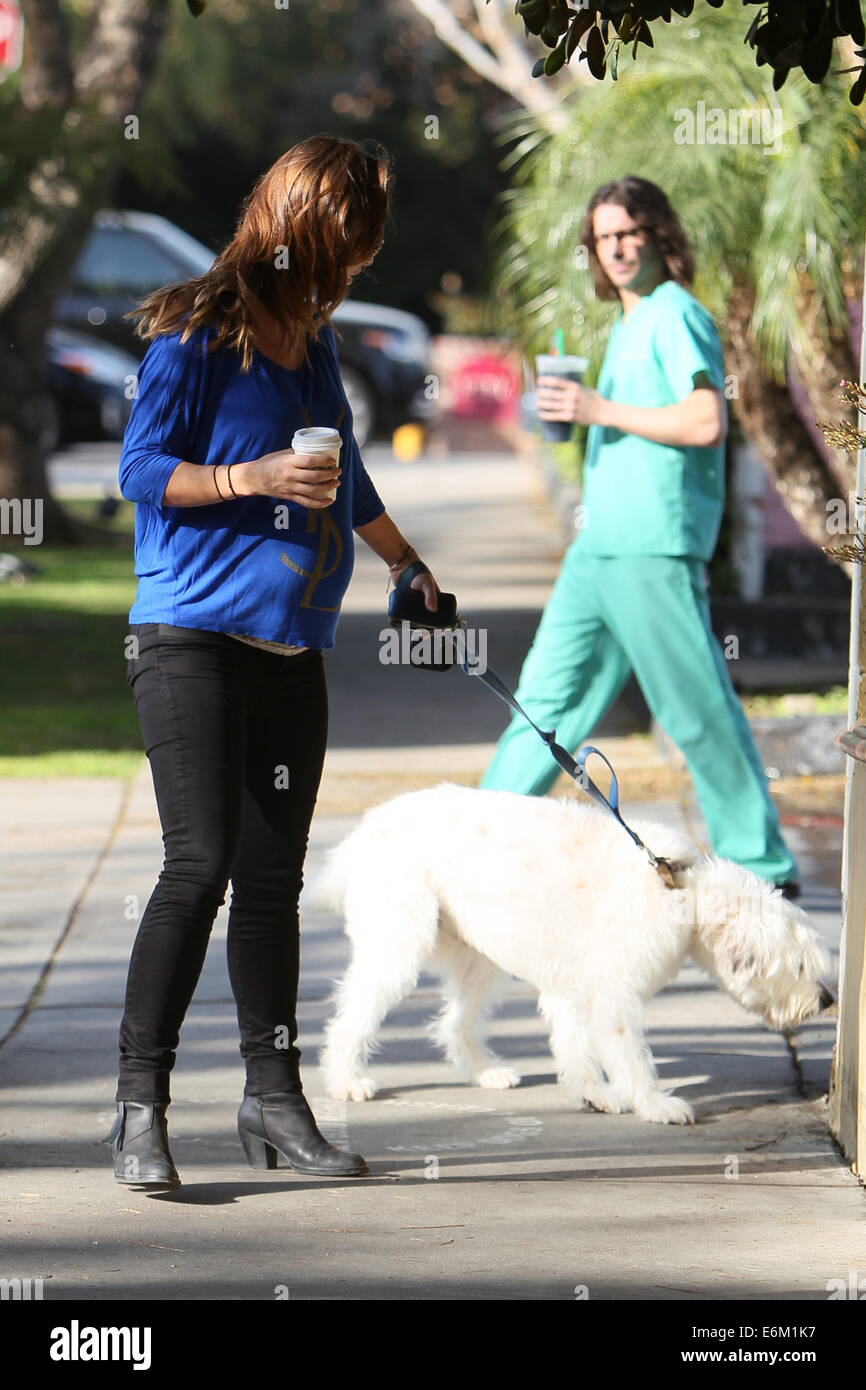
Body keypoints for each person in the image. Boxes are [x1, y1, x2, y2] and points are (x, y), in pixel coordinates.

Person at [105, 134, 442, 1187]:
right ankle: (138, 1109)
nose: (352, 253)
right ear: (293, 216)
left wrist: (408, 568)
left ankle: (273, 1099)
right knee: (198, 863)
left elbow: (345, 484)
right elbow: (140, 471)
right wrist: (249, 474)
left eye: (363, 237)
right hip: (187, 640)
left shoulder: (318, 344)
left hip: (288, 646)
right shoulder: (195, 330)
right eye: (341, 230)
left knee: (271, 884)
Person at [480, 176, 799, 895]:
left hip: (653, 544)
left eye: (630, 233)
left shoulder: (675, 313)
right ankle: (479, 843)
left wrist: (597, 407)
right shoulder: (628, 322)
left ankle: (763, 868)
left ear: (659, 236)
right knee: (544, 701)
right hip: (600, 548)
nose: (617, 248)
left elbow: (705, 420)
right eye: (604, 238)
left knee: (694, 710)